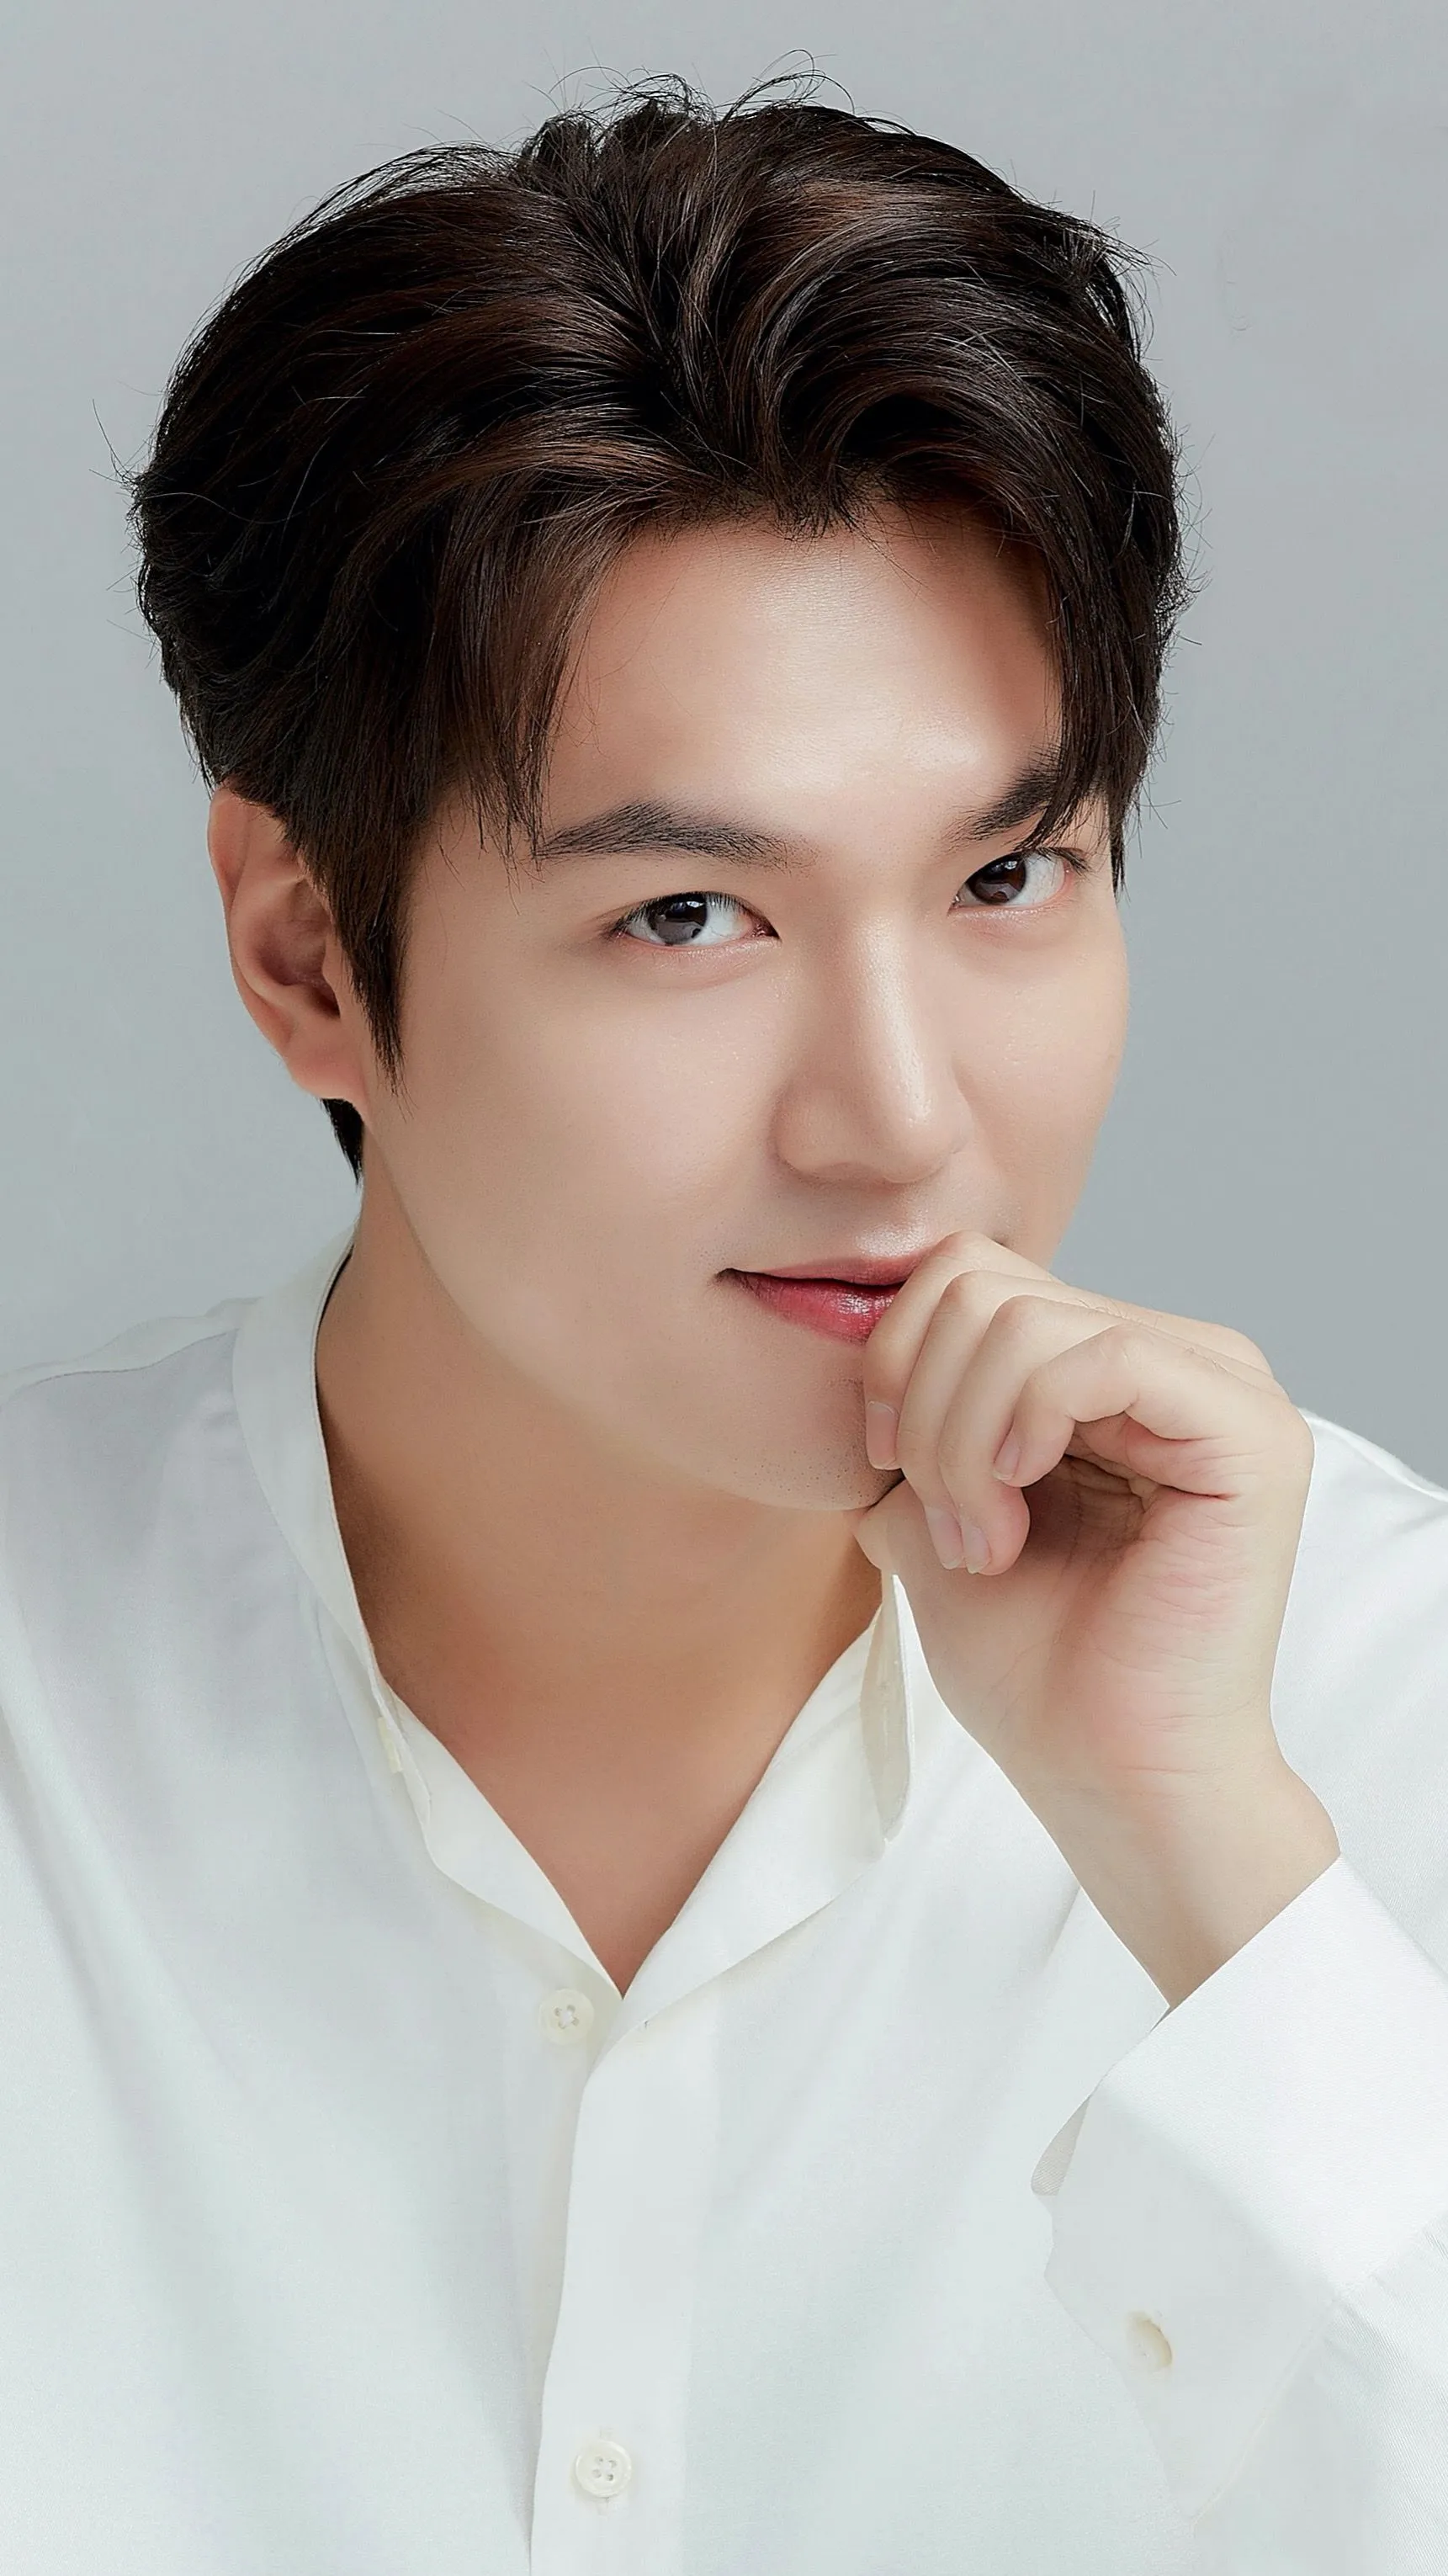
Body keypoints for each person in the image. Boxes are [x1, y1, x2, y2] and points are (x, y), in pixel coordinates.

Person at [3, 75, 1446, 2574]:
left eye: (1011, 875)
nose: (904, 1119)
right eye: (691, 917)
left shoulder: (1371, 1708)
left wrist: (1209, 1863)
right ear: (309, 953)